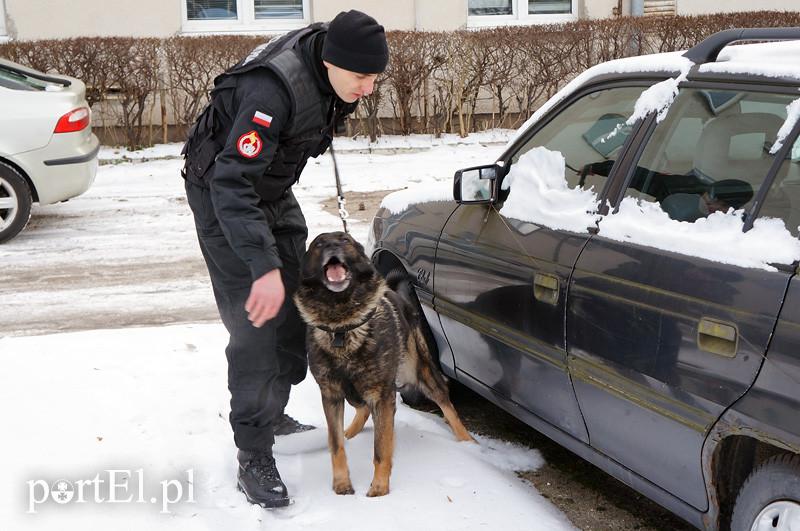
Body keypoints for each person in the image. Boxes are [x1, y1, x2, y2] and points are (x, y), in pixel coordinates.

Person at [180, 10, 389, 508]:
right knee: (256, 325)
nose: (369, 88)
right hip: (222, 195)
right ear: (333, 63)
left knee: (303, 306)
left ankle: (273, 406)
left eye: (375, 78)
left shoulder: (333, 69)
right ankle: (253, 452)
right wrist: (263, 265)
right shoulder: (271, 94)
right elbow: (232, 182)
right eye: (361, 78)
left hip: (270, 189)